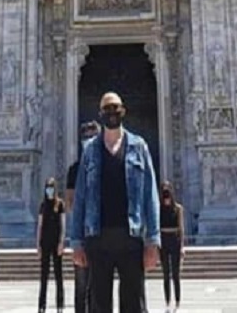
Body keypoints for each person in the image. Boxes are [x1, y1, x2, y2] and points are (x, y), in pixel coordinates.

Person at [70, 92, 160, 313]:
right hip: (98, 238)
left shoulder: (139, 147)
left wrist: (153, 240)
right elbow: (80, 197)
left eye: (115, 108)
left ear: (123, 111)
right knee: (98, 304)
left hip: (131, 237)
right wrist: (76, 242)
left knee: (134, 303)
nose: (112, 113)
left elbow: (150, 195)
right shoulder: (90, 150)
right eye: (107, 109)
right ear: (100, 113)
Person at [65, 121, 100, 313]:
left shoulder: (106, 165)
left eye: (93, 136)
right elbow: (69, 203)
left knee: (101, 284)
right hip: (82, 233)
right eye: (86, 136)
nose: (89, 140)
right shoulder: (74, 169)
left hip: (103, 232)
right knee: (81, 284)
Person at [36, 176, 66, 313]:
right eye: (48, 187)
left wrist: (61, 242)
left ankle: (60, 304)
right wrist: (38, 245)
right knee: (44, 275)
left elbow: (63, 225)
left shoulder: (60, 204)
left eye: (51, 187)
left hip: (56, 243)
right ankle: (42, 305)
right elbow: (40, 226)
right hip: (45, 243)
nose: (49, 190)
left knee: (58, 275)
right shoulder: (43, 205)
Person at [158, 181, 184, 311]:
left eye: (168, 189)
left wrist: (183, 246)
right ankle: (167, 301)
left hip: (174, 239)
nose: (166, 192)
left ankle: (178, 300)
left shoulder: (178, 208)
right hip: (163, 240)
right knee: (165, 273)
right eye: (164, 190)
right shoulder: (158, 208)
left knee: (176, 273)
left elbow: (181, 228)